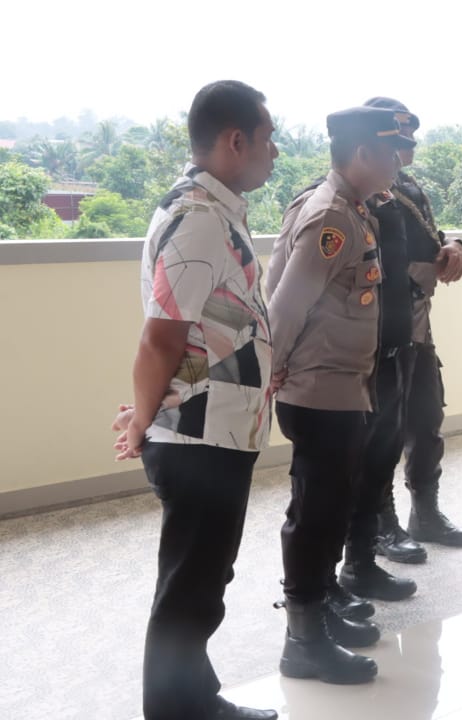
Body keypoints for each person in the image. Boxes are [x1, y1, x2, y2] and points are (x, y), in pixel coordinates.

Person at [116, 79, 279, 720]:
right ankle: (175, 710)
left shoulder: (214, 210)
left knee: (202, 579)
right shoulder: (200, 219)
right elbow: (160, 337)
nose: (274, 151)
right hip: (200, 437)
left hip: (216, 427)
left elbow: (208, 322)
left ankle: (194, 699)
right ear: (235, 140)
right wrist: (143, 420)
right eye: (267, 139)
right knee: (191, 585)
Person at [265, 106, 414, 685]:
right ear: (362, 154)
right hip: (318, 388)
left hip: (343, 387)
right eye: (391, 150)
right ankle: (303, 641)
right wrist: (270, 375)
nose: (399, 160)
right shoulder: (331, 216)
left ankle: (319, 612)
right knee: (316, 513)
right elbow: (287, 304)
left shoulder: (355, 209)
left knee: (328, 509)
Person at [358, 97, 462, 560]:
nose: (408, 144)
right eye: (398, 136)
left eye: (409, 135)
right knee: (382, 430)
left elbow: (431, 236)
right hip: (377, 329)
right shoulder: (357, 189)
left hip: (418, 324)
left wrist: (456, 245)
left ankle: (425, 513)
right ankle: (381, 524)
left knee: (426, 421)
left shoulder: (406, 187)